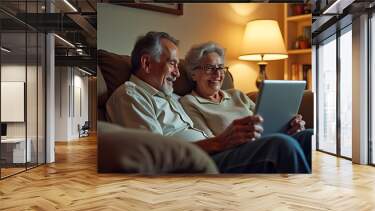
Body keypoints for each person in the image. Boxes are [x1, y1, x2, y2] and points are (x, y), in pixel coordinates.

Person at [106, 31, 310, 173]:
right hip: (199, 163)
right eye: (172, 64)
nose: (178, 73)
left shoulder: (171, 96)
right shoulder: (130, 96)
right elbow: (154, 155)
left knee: (307, 136)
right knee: (280, 146)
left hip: (217, 152)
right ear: (146, 63)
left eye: (178, 65)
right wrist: (219, 142)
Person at [180, 42, 312, 167]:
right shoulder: (190, 102)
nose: (217, 74)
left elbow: (264, 119)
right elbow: (210, 141)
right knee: (282, 144)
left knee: (309, 135)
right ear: (193, 74)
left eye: (220, 67)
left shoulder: (236, 94)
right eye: (209, 68)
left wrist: (288, 125)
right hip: (234, 153)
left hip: (264, 140)